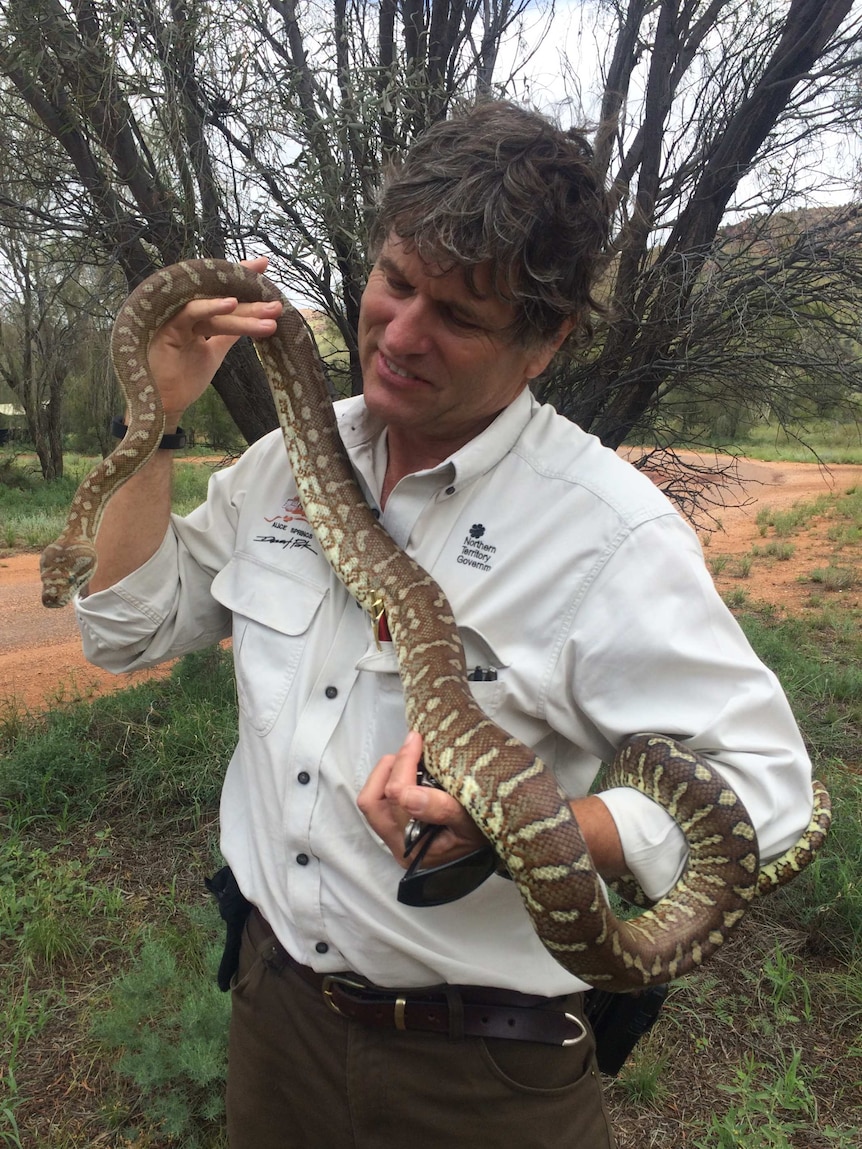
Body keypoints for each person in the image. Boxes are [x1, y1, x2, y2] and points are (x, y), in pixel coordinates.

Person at [75, 100, 814, 1149]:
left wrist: (545, 830)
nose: (402, 336)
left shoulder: (606, 532)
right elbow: (124, 633)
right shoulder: (287, 462)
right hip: (273, 1018)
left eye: (460, 317)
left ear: (543, 341)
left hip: (482, 1073)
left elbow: (768, 791)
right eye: (395, 282)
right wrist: (151, 424)